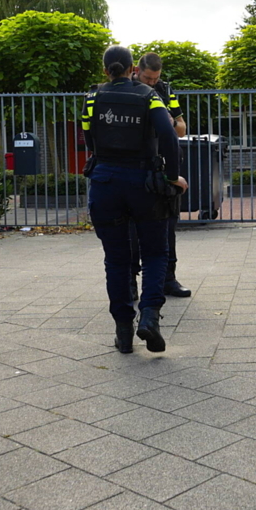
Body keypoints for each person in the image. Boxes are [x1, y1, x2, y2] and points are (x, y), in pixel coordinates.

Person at [83, 45, 187, 354]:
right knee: (155, 253)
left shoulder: (92, 97)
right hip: (144, 184)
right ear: (132, 69)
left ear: (105, 71)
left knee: (116, 259)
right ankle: (150, 318)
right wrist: (172, 177)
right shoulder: (149, 96)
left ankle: (123, 331)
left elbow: (88, 136)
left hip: (104, 182)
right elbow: (169, 135)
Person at [130, 52, 191, 299]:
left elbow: (182, 129)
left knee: (168, 225)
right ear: (136, 70)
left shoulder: (165, 90)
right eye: (148, 78)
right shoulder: (128, 89)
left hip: (163, 165)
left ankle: (169, 279)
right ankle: (131, 283)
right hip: (136, 166)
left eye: (156, 78)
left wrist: (167, 121)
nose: (152, 83)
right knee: (132, 230)